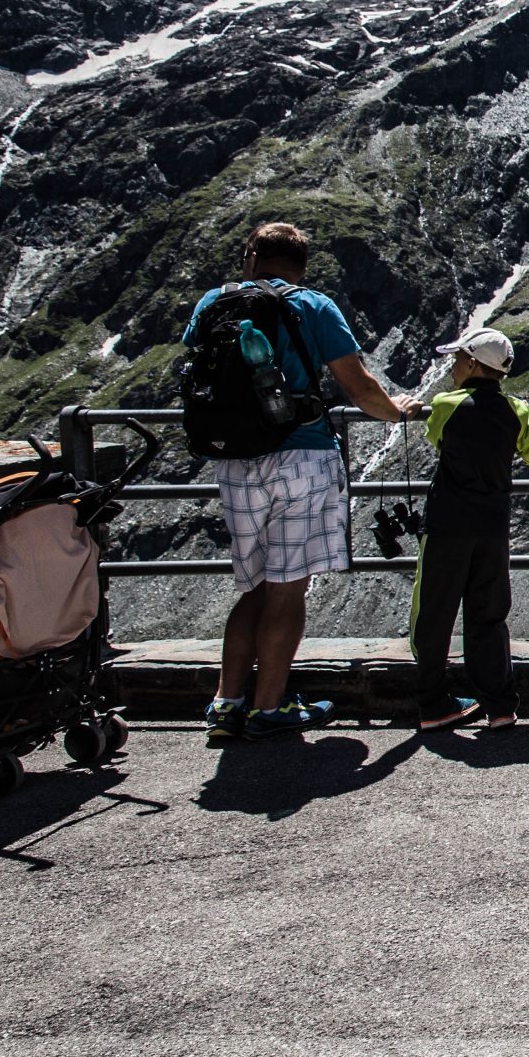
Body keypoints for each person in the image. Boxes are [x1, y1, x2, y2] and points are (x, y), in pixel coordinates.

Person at [187, 222, 423, 745]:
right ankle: (269, 707)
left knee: (252, 586)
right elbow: (358, 385)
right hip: (301, 456)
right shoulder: (313, 305)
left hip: (234, 460)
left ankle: (226, 704)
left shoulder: (213, 303)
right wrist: (397, 412)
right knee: (287, 586)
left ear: (252, 257)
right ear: (302, 265)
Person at [409, 327, 529, 732]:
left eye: (457, 360)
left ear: (473, 363)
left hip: (447, 522)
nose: (452, 368)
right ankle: (499, 705)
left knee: (434, 611)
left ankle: (433, 703)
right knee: (488, 613)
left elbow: (435, 437)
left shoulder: (446, 404)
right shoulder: (515, 410)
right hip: (493, 525)